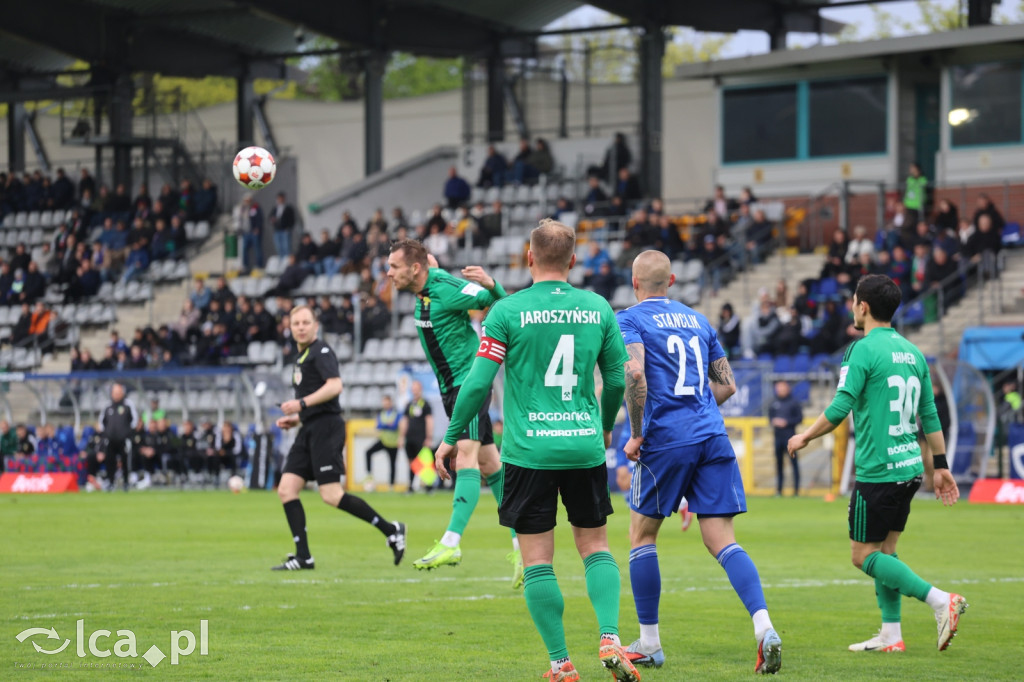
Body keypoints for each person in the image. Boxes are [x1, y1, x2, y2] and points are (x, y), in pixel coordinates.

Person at [433, 219, 640, 682]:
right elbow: (617, 380)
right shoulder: (598, 308)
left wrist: (451, 436)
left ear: (528, 258)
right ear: (573, 260)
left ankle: (561, 663)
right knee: (596, 547)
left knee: (538, 560)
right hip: (583, 447)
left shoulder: (506, 311)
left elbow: (478, 383)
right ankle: (610, 637)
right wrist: (605, 427)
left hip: (528, 453)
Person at [615, 250, 782, 674]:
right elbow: (727, 385)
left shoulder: (630, 319)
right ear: (671, 282)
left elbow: (635, 374)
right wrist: (698, 409)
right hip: (712, 435)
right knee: (722, 540)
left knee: (642, 536)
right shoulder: (698, 320)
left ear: (634, 284)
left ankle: (649, 643)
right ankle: (764, 627)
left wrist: (636, 434)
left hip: (666, 440)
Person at [787, 274, 967, 653]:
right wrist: (941, 466)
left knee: (862, 555)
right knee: (886, 551)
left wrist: (805, 436)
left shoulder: (862, 350)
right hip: (911, 467)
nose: (852, 307)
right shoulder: (914, 353)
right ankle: (891, 634)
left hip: (879, 470)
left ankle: (940, 600)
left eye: (854, 301)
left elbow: (841, 406)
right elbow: (930, 416)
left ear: (863, 306)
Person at [386, 239, 522, 585]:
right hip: (451, 389)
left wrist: (492, 284)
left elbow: (498, 302)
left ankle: (451, 542)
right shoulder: (425, 286)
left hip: (469, 385)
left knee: (466, 457)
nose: (388, 273)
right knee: (491, 465)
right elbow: (432, 269)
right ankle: (522, 544)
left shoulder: (446, 289)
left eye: (394, 267)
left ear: (414, 268)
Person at [271, 304, 406, 570]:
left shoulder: (321, 351)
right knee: (286, 489)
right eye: (296, 323)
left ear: (316, 326)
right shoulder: (301, 357)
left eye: (305, 323)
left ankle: (392, 530)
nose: (301, 327)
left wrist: (301, 405)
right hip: (309, 427)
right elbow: (316, 401)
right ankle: (303, 557)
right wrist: (297, 418)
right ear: (290, 327)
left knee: (331, 495)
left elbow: (335, 386)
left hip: (327, 428)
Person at [97, 383, 140, 491]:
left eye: (118, 392)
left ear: (122, 393)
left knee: (125, 461)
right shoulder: (107, 406)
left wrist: (128, 433)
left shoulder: (128, 405)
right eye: (114, 392)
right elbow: (101, 422)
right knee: (110, 461)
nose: (116, 394)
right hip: (110, 439)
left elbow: (134, 420)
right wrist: (106, 433)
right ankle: (110, 482)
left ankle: (126, 482)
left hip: (124, 439)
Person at [769, 381, 802, 496]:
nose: (780, 390)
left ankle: (796, 491)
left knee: (794, 463)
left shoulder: (794, 402)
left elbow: (799, 418)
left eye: (782, 388)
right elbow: (770, 417)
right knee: (779, 464)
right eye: (778, 388)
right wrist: (774, 421)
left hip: (790, 438)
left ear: (787, 388)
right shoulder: (774, 403)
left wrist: (786, 422)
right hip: (777, 438)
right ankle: (779, 490)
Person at [399, 380, 434, 491]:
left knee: (424, 461)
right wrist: (401, 437)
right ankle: (411, 485)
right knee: (411, 461)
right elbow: (404, 421)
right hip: (409, 437)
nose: (415, 391)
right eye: (413, 389)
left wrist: (429, 437)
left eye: (417, 389)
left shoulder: (425, 404)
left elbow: (429, 420)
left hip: (421, 437)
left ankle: (428, 485)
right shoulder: (409, 404)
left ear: (421, 390)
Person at [364, 394, 401, 488]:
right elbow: (379, 426)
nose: (385, 404)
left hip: (393, 443)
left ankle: (391, 484)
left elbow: (394, 426)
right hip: (383, 440)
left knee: (392, 463)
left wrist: (385, 425)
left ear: (390, 403)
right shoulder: (381, 414)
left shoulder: (396, 414)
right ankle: (369, 475)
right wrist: (388, 424)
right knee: (368, 452)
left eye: (387, 402)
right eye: (384, 402)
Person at [269, 192, 296, 257]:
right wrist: (272, 220)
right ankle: (282, 260)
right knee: (279, 248)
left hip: (285, 231)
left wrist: (289, 228)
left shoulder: (288, 208)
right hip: (277, 230)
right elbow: (270, 217)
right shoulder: (275, 208)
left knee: (286, 247)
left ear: (284, 199)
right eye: (279, 199)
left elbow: (292, 219)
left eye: (281, 199)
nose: (280, 200)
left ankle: (287, 261)